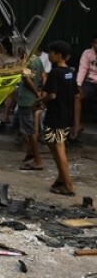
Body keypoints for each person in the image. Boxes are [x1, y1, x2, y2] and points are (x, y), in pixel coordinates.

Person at [38, 40, 80, 196]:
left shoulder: (55, 73)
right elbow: (76, 94)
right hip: (66, 116)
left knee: (58, 147)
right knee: (53, 144)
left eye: (51, 53)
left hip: (56, 116)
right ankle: (61, 179)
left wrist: (40, 101)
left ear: (58, 55)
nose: (49, 55)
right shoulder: (70, 72)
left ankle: (68, 185)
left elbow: (52, 95)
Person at [17, 50, 45, 171]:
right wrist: (40, 93)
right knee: (33, 127)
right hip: (33, 98)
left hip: (26, 99)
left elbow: (28, 81)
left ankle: (37, 160)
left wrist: (36, 94)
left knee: (30, 130)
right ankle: (31, 152)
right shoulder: (37, 59)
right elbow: (44, 76)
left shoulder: (26, 61)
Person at [75, 35, 97, 140]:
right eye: (96, 43)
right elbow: (82, 69)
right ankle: (77, 125)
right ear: (92, 44)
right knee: (77, 96)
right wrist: (78, 85)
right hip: (90, 82)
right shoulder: (87, 53)